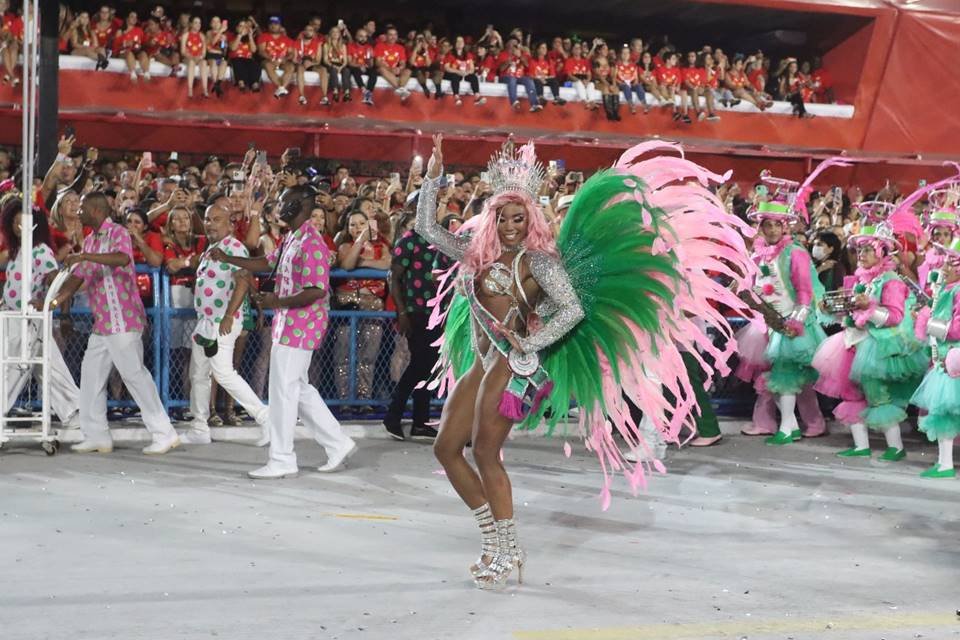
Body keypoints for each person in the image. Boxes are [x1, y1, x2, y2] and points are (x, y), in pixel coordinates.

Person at [417, 134, 752, 589]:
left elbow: (572, 309)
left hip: (509, 364)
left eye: (519, 218)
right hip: (481, 361)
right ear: (491, 218)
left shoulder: (539, 263)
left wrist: (533, 342)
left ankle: (507, 547)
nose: (511, 226)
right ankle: (495, 541)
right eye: (503, 217)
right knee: (445, 449)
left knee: (484, 451)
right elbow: (427, 230)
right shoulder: (478, 256)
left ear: (530, 218)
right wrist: (434, 179)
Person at [210, 185, 356, 479]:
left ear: (302, 205)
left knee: (283, 393)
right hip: (287, 325)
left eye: (287, 201)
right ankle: (338, 442)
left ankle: (282, 458)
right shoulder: (292, 237)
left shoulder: (312, 242)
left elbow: (316, 290)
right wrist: (229, 259)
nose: (281, 206)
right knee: (298, 390)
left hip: (301, 327)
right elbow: (267, 263)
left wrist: (276, 301)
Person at [49, 192, 180, 455]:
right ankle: (97, 436)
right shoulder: (90, 239)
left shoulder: (118, 232)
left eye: (83, 207)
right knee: (90, 376)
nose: (79, 212)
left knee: (134, 375)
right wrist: (56, 298)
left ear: (97, 211)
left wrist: (86, 257)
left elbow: (122, 258)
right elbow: (79, 276)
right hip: (103, 322)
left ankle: (164, 433)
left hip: (124, 318)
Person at [813, 223, 927, 460]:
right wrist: (829, 308)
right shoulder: (858, 280)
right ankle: (860, 445)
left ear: (882, 253)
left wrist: (870, 308)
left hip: (875, 346)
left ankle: (895, 448)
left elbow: (895, 316)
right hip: (850, 344)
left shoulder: (891, 281)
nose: (861, 255)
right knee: (851, 393)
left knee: (878, 396)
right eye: (859, 250)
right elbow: (849, 313)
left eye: (867, 250)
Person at [734, 172, 827, 443]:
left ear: (784, 226)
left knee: (792, 377)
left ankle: (803, 424)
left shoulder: (795, 252)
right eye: (767, 225)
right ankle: (778, 423)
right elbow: (751, 285)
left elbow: (805, 293)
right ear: (760, 227)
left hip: (791, 323)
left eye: (777, 225)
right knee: (774, 377)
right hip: (767, 323)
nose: (772, 230)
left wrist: (795, 322)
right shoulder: (757, 254)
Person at [182, 203, 270, 445]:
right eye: (208, 219)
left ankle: (266, 418)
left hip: (222, 322)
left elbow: (243, 281)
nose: (210, 224)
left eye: (217, 219)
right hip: (206, 323)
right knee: (198, 374)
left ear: (230, 223)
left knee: (223, 373)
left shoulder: (234, 248)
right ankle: (199, 426)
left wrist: (230, 315)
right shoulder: (212, 248)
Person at [1, 197, 80, 428]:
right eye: (14, 223)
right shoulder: (19, 251)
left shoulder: (40, 251)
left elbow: (63, 281)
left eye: (22, 223)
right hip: (13, 318)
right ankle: (74, 411)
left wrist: (54, 305)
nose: (18, 228)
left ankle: (75, 411)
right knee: (43, 368)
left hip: (29, 320)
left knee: (17, 368)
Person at [383, 205, 440, 440]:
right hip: (415, 310)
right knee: (420, 364)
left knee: (426, 366)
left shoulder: (437, 240)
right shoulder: (409, 240)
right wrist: (402, 312)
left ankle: (420, 421)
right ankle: (394, 415)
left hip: (435, 310)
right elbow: (393, 276)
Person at [911, 237, 960, 478]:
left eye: (952, 263)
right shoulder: (948, 290)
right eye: (946, 263)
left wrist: (931, 324)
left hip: (954, 360)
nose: (945, 268)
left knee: (945, 413)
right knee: (943, 415)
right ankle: (944, 464)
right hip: (945, 359)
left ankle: (946, 464)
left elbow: (958, 328)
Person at [332, 210, 391, 408]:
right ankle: (344, 399)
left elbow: (386, 264)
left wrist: (363, 262)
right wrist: (360, 241)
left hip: (373, 307)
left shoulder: (381, 246)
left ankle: (363, 398)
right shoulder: (345, 246)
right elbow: (347, 264)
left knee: (368, 356)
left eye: (361, 223)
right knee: (344, 355)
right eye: (353, 224)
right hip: (348, 305)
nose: (357, 227)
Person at [180, 16, 207, 98]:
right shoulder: (185, 35)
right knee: (191, 63)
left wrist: (200, 57)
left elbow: (204, 52)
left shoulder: (202, 36)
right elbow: (183, 51)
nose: (198, 25)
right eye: (196, 22)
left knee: (204, 62)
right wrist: (191, 57)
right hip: (188, 58)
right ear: (191, 24)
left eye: (199, 23)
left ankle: (205, 89)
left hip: (198, 58)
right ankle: (190, 89)